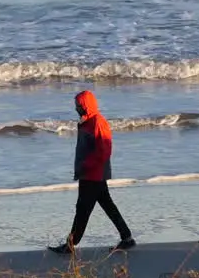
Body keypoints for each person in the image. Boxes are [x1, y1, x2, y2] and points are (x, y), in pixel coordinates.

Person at [49, 90, 136, 254]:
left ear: (86, 105)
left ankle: (70, 244)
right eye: (76, 105)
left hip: (93, 175)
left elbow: (104, 150)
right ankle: (127, 238)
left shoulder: (97, 122)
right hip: (90, 174)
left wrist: (86, 166)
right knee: (107, 205)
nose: (76, 108)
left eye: (78, 105)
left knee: (82, 209)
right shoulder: (86, 122)